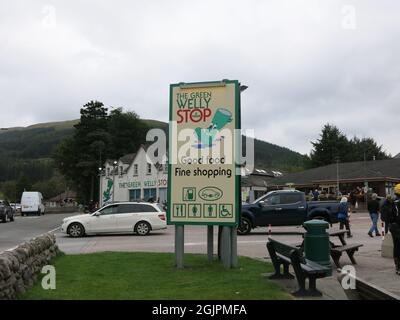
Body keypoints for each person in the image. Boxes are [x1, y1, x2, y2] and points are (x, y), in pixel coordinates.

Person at [388, 184, 400, 275]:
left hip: (393, 227)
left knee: (396, 246)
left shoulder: (392, 203)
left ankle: (397, 266)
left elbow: (389, 217)